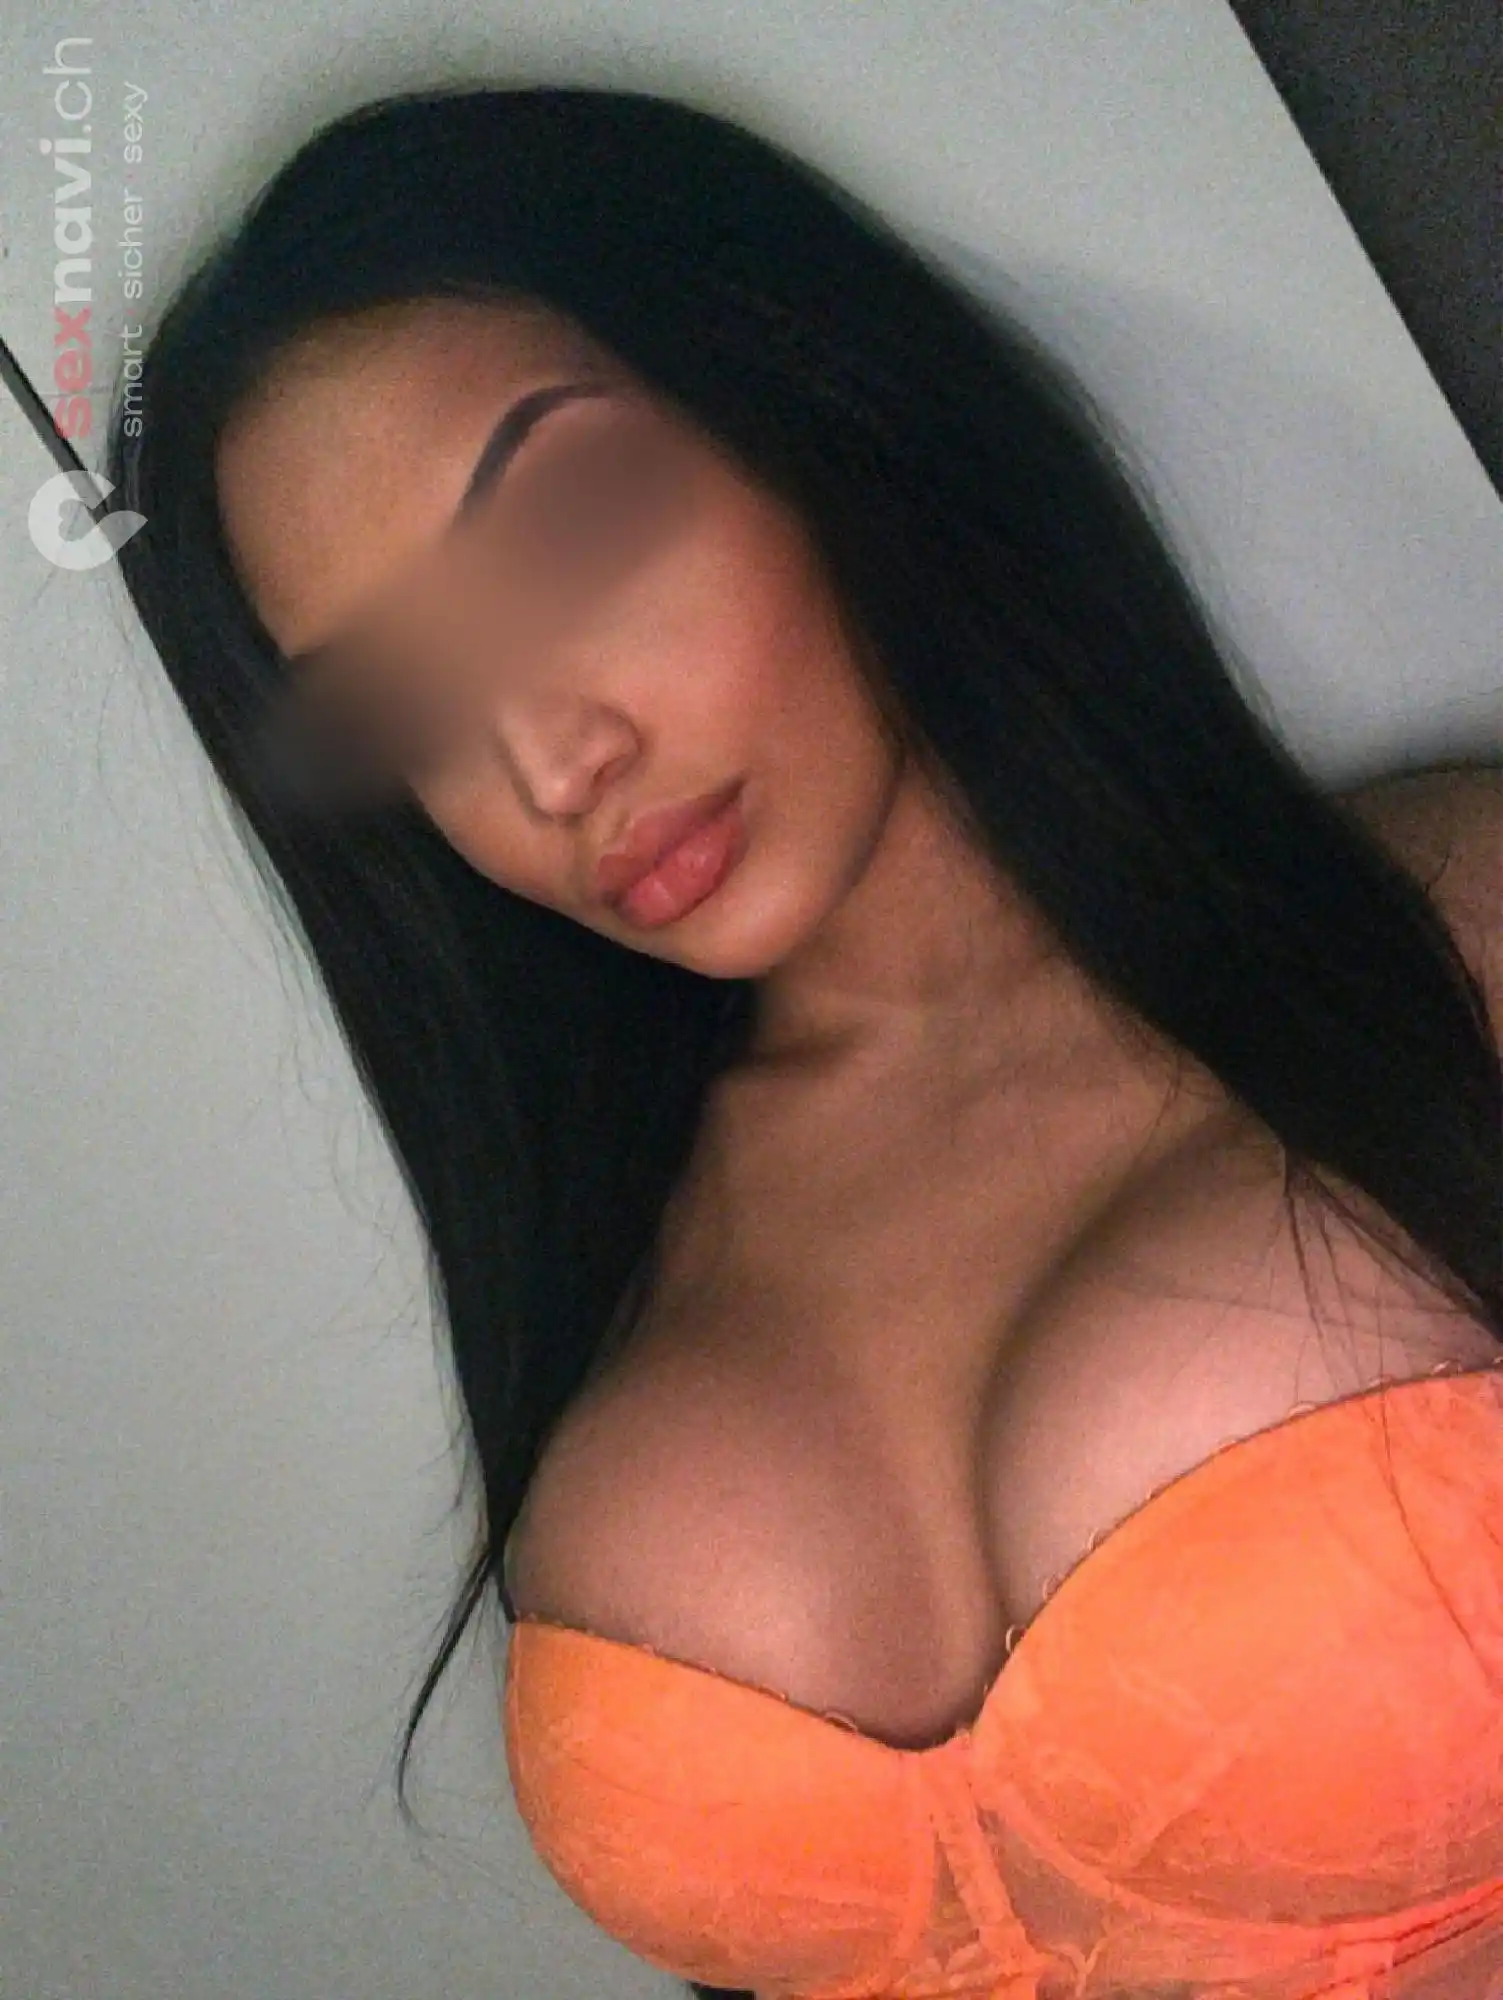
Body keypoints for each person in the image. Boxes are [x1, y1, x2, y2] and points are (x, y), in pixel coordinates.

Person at [105, 83, 1503, 2000]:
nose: (549, 763)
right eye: (402, 714)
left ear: (819, 408)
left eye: (571, 530)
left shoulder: (1444, 934)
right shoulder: (606, 1263)